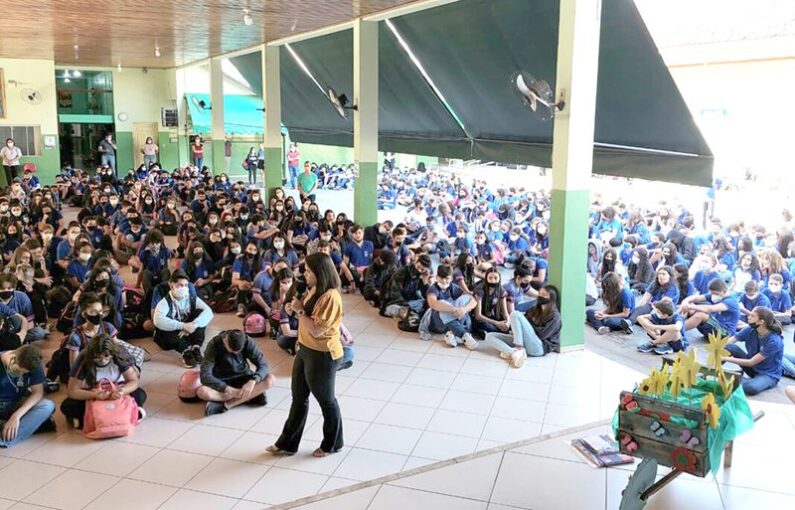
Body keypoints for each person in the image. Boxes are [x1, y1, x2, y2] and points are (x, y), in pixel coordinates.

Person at [267, 253, 345, 458]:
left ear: (320, 272)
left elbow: (317, 330)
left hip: (323, 354)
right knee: (298, 398)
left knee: (326, 400)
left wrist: (300, 312)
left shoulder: (330, 297)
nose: (305, 274)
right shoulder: (312, 290)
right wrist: (292, 308)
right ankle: (287, 443)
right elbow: (303, 318)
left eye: (309, 271)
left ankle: (332, 443)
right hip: (305, 349)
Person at [60, 334, 146, 429]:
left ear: (112, 352)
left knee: (140, 394)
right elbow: (72, 391)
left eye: (106, 356)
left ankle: (127, 412)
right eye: (98, 357)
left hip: (117, 389)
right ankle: (116, 414)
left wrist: (122, 391)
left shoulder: (120, 355)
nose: (102, 360)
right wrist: (94, 395)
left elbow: (133, 380)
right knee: (67, 405)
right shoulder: (83, 359)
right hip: (93, 392)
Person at [198, 330, 276, 416]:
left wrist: (253, 381)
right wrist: (229, 390)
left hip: (243, 377)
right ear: (225, 341)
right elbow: (205, 375)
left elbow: (263, 365)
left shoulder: (247, 341)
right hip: (222, 382)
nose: (235, 353)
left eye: (238, 351)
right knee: (202, 392)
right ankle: (251, 396)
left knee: (271, 379)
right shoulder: (214, 344)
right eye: (232, 351)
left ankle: (226, 405)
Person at [484, 283, 561, 368]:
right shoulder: (535, 308)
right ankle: (514, 353)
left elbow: (542, 334)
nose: (540, 296)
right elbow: (523, 322)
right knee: (489, 336)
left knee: (515, 314)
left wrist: (527, 325)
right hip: (526, 342)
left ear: (551, 299)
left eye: (544, 295)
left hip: (539, 347)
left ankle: (518, 348)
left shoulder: (555, 316)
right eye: (539, 293)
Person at [153, 270, 214, 368]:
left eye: (185, 285)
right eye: (180, 285)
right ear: (171, 284)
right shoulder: (164, 303)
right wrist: (183, 326)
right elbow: (157, 320)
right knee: (163, 322)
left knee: (200, 314)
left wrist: (194, 325)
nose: (183, 288)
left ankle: (195, 347)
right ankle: (186, 351)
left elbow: (209, 312)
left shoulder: (191, 298)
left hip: (187, 332)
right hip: (168, 338)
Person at [0, 345, 56, 447]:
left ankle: (6, 438)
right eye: (18, 370)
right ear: (13, 358)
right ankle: (9, 429)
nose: (20, 373)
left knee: (48, 405)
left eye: (24, 372)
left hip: (16, 403)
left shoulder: (33, 363)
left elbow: (38, 392)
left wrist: (16, 416)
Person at [722, 307, 785, 396]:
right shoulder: (750, 329)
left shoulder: (774, 341)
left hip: (767, 375)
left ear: (761, 321)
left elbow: (751, 362)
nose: (748, 317)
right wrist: (717, 347)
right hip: (752, 367)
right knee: (729, 347)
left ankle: (736, 378)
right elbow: (731, 341)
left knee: (751, 388)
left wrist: (725, 358)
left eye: (752, 316)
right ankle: (715, 370)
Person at [419, 264, 479, 348]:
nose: (444, 281)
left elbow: (473, 301)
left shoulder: (453, 287)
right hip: (436, 323)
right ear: (437, 277)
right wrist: (454, 309)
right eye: (441, 278)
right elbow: (433, 303)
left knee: (465, 298)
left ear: (451, 278)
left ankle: (451, 334)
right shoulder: (433, 289)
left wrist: (464, 310)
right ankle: (464, 335)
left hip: (449, 322)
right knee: (443, 303)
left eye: (447, 278)